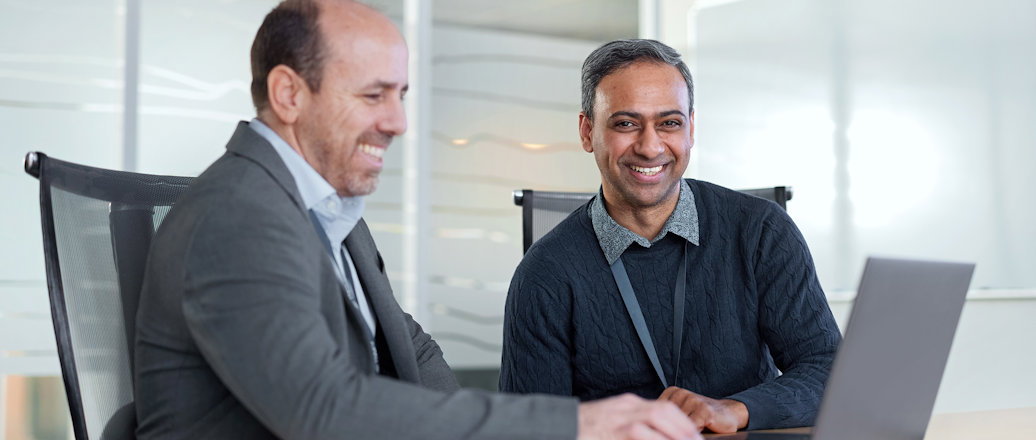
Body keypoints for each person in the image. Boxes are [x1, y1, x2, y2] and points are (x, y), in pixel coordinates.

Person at [133, 2, 702, 439]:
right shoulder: (239, 217)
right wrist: (574, 425)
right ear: (288, 94)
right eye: (374, 95)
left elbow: (408, 348)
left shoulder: (324, 208)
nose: (400, 121)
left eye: (401, 94)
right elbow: (323, 409)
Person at [499, 39, 842, 434]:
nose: (650, 146)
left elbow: (828, 369)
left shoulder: (761, 232)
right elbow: (529, 428)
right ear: (587, 131)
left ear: (691, 129)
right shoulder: (545, 274)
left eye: (669, 123)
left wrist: (735, 410)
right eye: (626, 123)